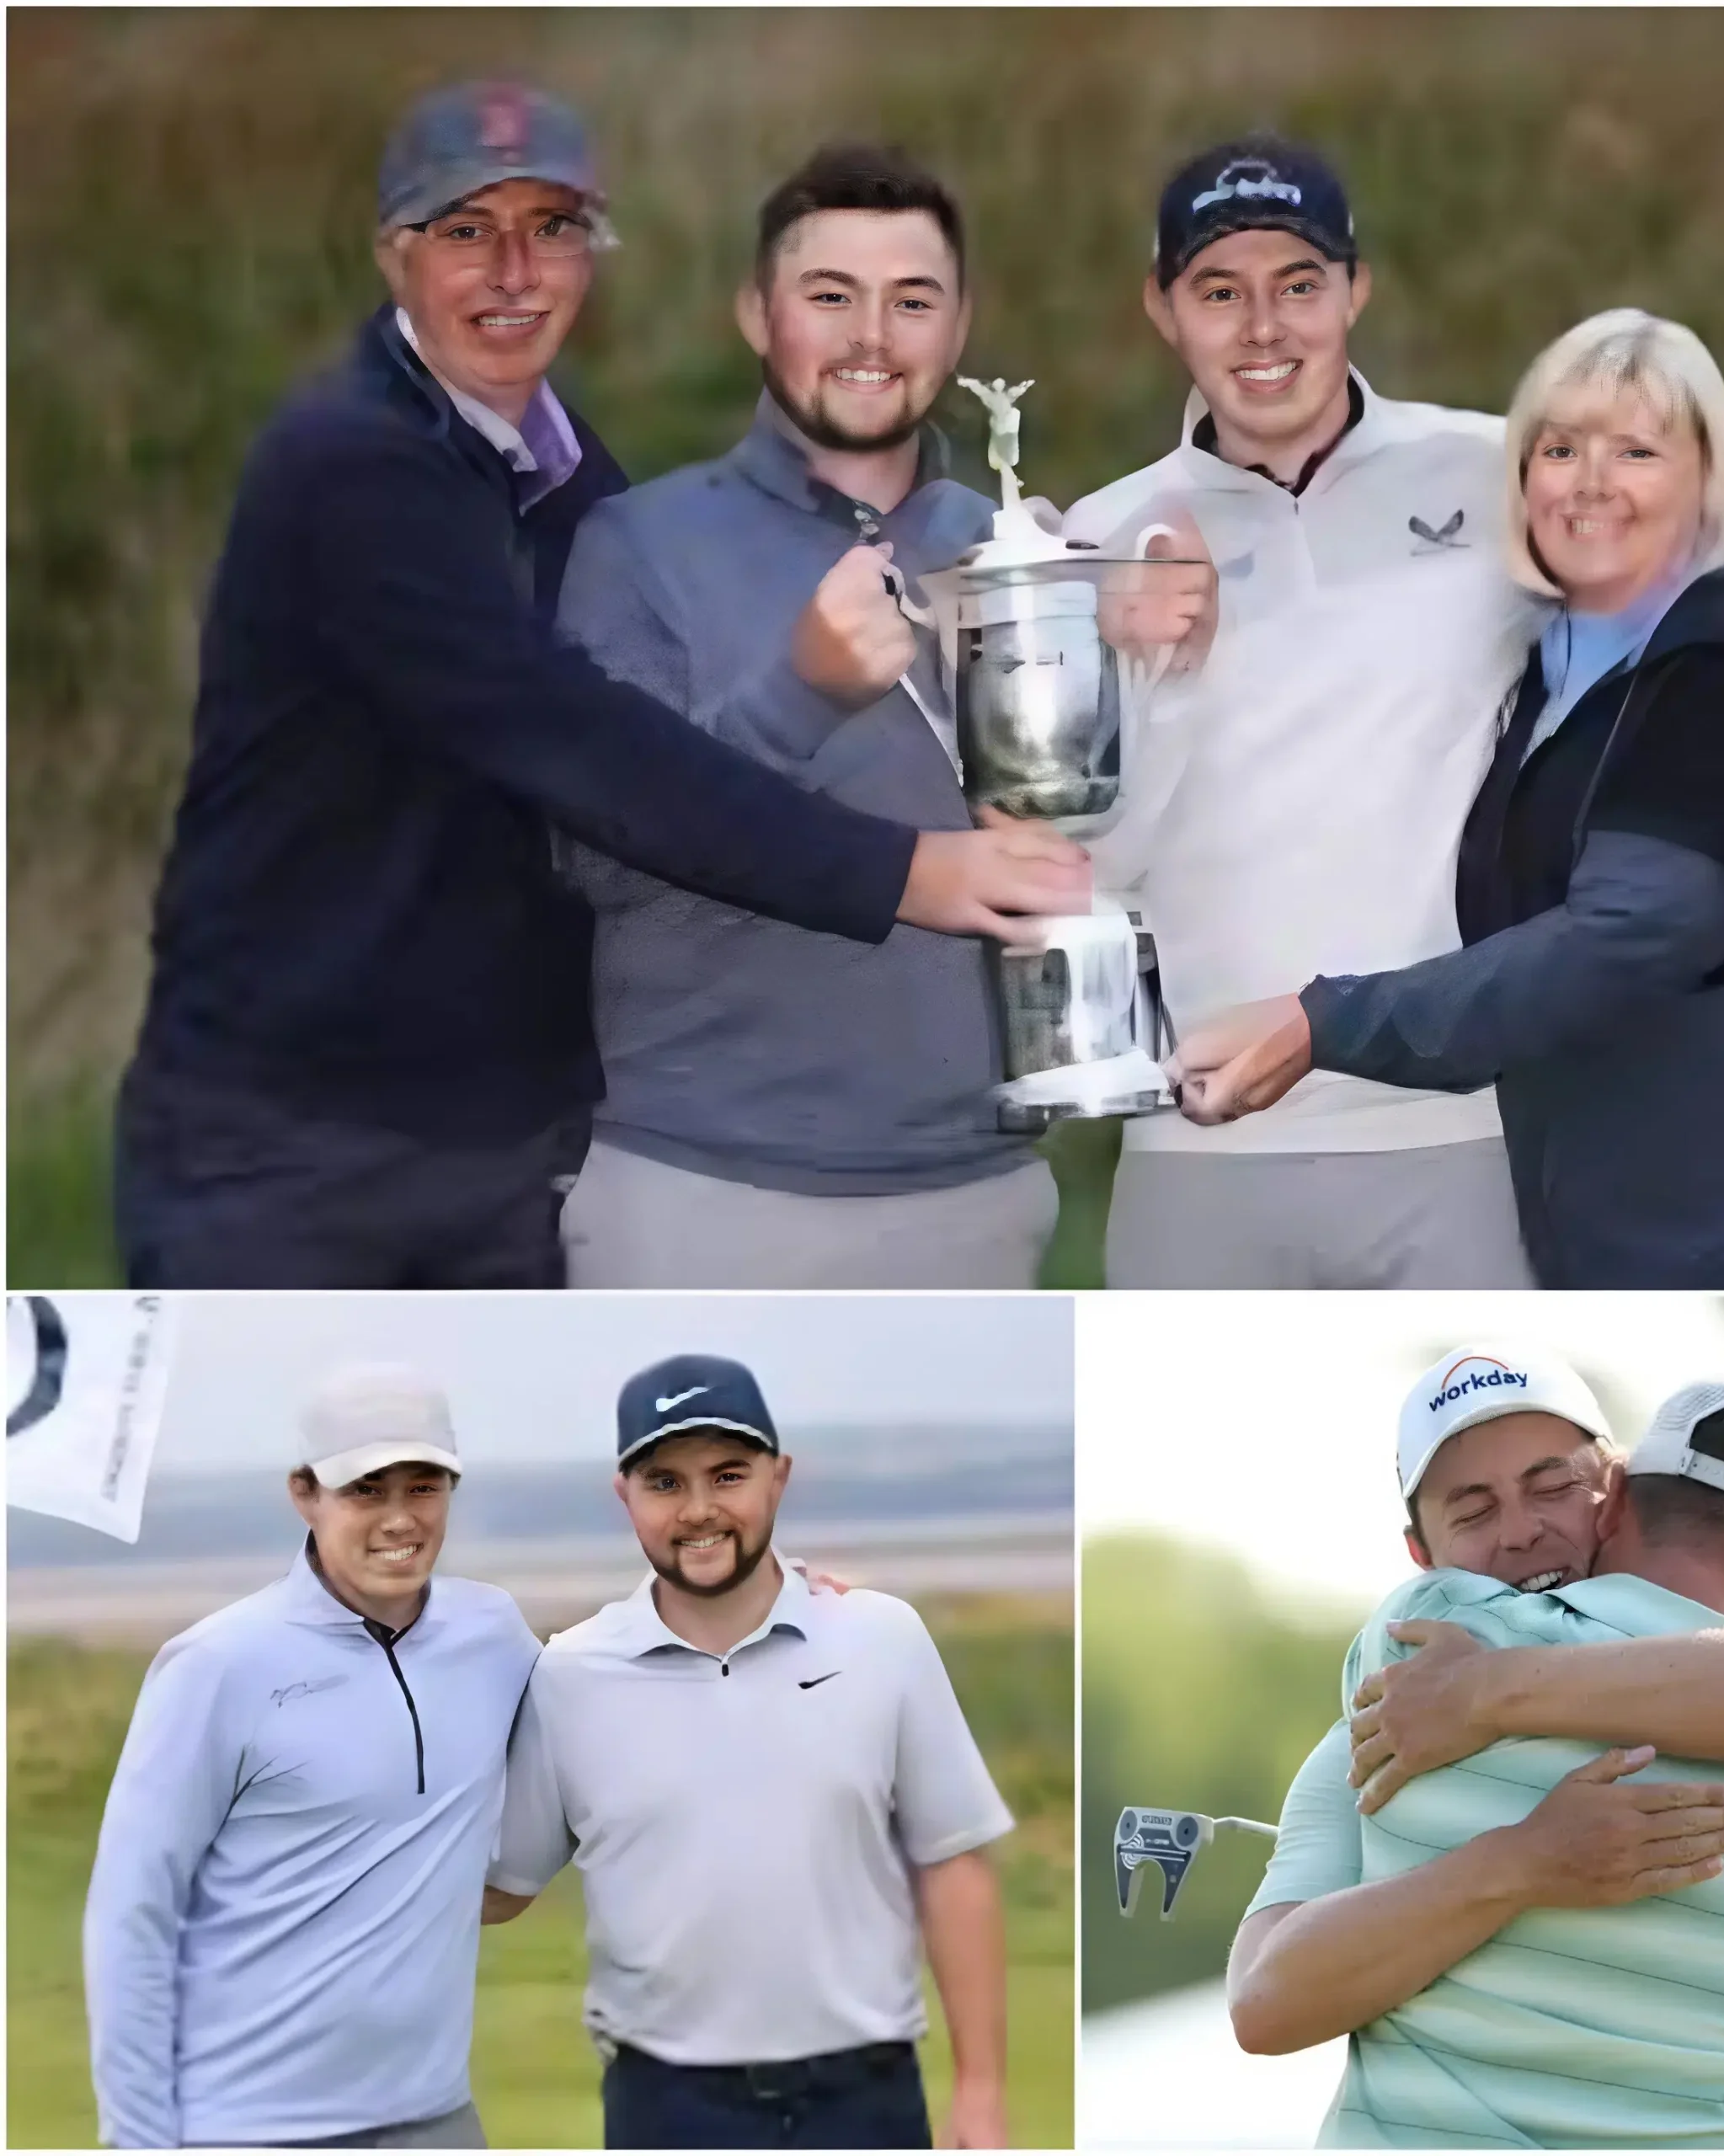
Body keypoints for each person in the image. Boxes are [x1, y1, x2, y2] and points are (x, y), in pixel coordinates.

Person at [115, 83, 1086, 1291]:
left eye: (554, 229)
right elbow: (595, 759)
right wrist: (908, 873)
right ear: (392, 253)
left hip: (504, 1136)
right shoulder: (356, 468)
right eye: (467, 231)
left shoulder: (576, 488)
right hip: (289, 1140)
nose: (514, 272)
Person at [1059, 137, 1724, 1289]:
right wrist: (1142, 671)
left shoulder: (1499, 471)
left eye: (1299, 287)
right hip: (1198, 1136)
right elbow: (1079, 855)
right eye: (1220, 293)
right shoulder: (1100, 537)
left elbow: (1708, 627)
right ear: (1162, 307)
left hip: (1469, 1131)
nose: (1262, 329)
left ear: (1355, 291)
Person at [1230, 1348, 1724, 2148]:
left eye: (1551, 1488)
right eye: (1473, 1511)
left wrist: (1488, 1693)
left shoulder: (1421, 1661)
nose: (1521, 1532)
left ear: (1613, 1499)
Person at [550, 145, 1054, 1289]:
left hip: (980, 1194)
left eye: (910, 301)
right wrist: (800, 692)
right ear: (756, 313)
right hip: (703, 1194)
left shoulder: (1021, 549)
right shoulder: (638, 549)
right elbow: (592, 860)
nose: (872, 335)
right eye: (831, 296)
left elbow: (1089, 843)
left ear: (959, 325)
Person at [483, 1353, 1013, 2150]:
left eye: (728, 1475)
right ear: (624, 1496)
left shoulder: (881, 1638)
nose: (699, 1510)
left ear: (779, 1477)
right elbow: (502, 1886)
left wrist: (980, 2093)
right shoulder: (567, 1674)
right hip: (668, 2107)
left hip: (864, 2102)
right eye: (665, 1483)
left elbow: (953, 1865)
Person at [83, 1367, 538, 2149]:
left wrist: (789, 1596)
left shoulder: (492, 1633)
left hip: (436, 2121)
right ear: (305, 1493)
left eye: (424, 1487)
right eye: (367, 1490)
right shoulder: (218, 1665)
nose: (401, 1519)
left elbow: (613, 1691)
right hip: (246, 2130)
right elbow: (132, 1918)